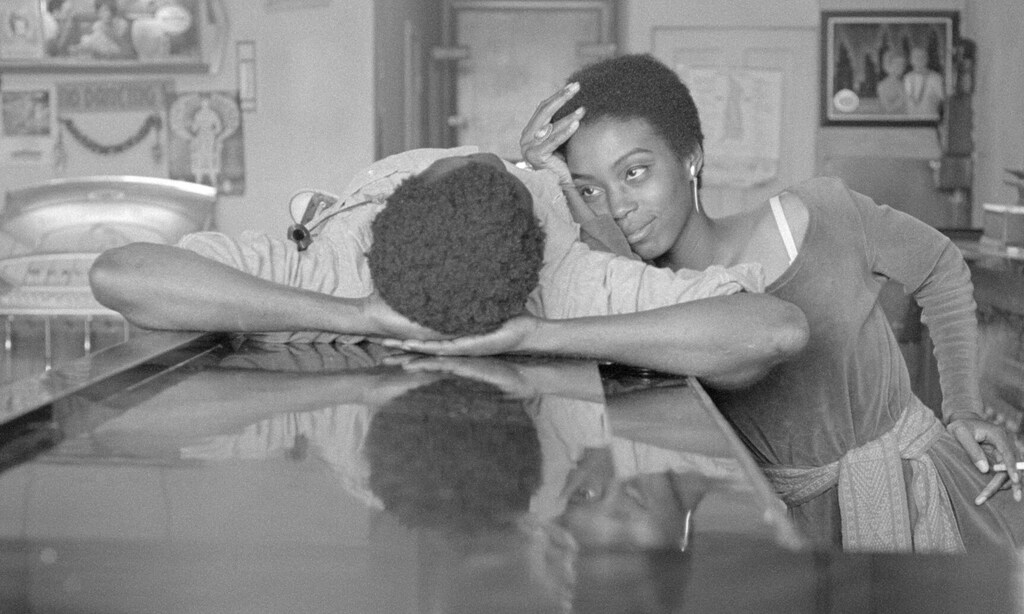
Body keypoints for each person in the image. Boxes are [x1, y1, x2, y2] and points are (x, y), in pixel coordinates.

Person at [428, 53, 1020, 553]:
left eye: (635, 173)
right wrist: (533, 171)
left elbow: (941, 268)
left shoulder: (816, 214)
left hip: (929, 500)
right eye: (589, 188)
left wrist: (964, 407)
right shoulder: (643, 303)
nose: (618, 206)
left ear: (691, 158)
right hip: (792, 532)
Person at [90, 147, 809, 389]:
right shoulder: (338, 262)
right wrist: (356, 315)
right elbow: (122, 274)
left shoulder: (569, 281)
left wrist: (535, 336)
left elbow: (773, 331)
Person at [903, 46, 944, 118]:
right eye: (916, 57)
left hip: (930, 120)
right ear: (911, 60)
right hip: (910, 120)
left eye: (922, 57)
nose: (919, 59)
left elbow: (944, 100)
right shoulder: (907, 77)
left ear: (927, 59)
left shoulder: (935, 78)